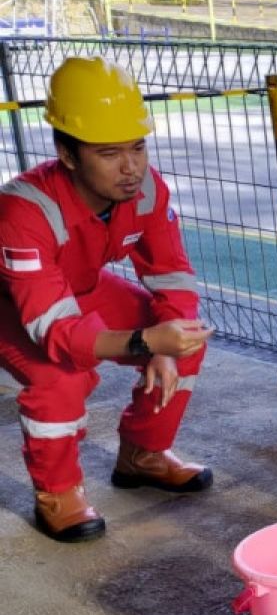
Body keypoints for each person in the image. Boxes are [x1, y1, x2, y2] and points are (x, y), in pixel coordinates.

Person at [0, 57, 213, 543]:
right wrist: (143, 340)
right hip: (13, 305)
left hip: (78, 288)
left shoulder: (146, 190)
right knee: (59, 376)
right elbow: (56, 331)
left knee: (187, 340)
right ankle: (58, 493)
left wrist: (164, 343)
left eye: (138, 147)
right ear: (67, 154)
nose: (131, 167)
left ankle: (143, 454)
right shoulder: (22, 210)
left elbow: (172, 276)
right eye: (109, 152)